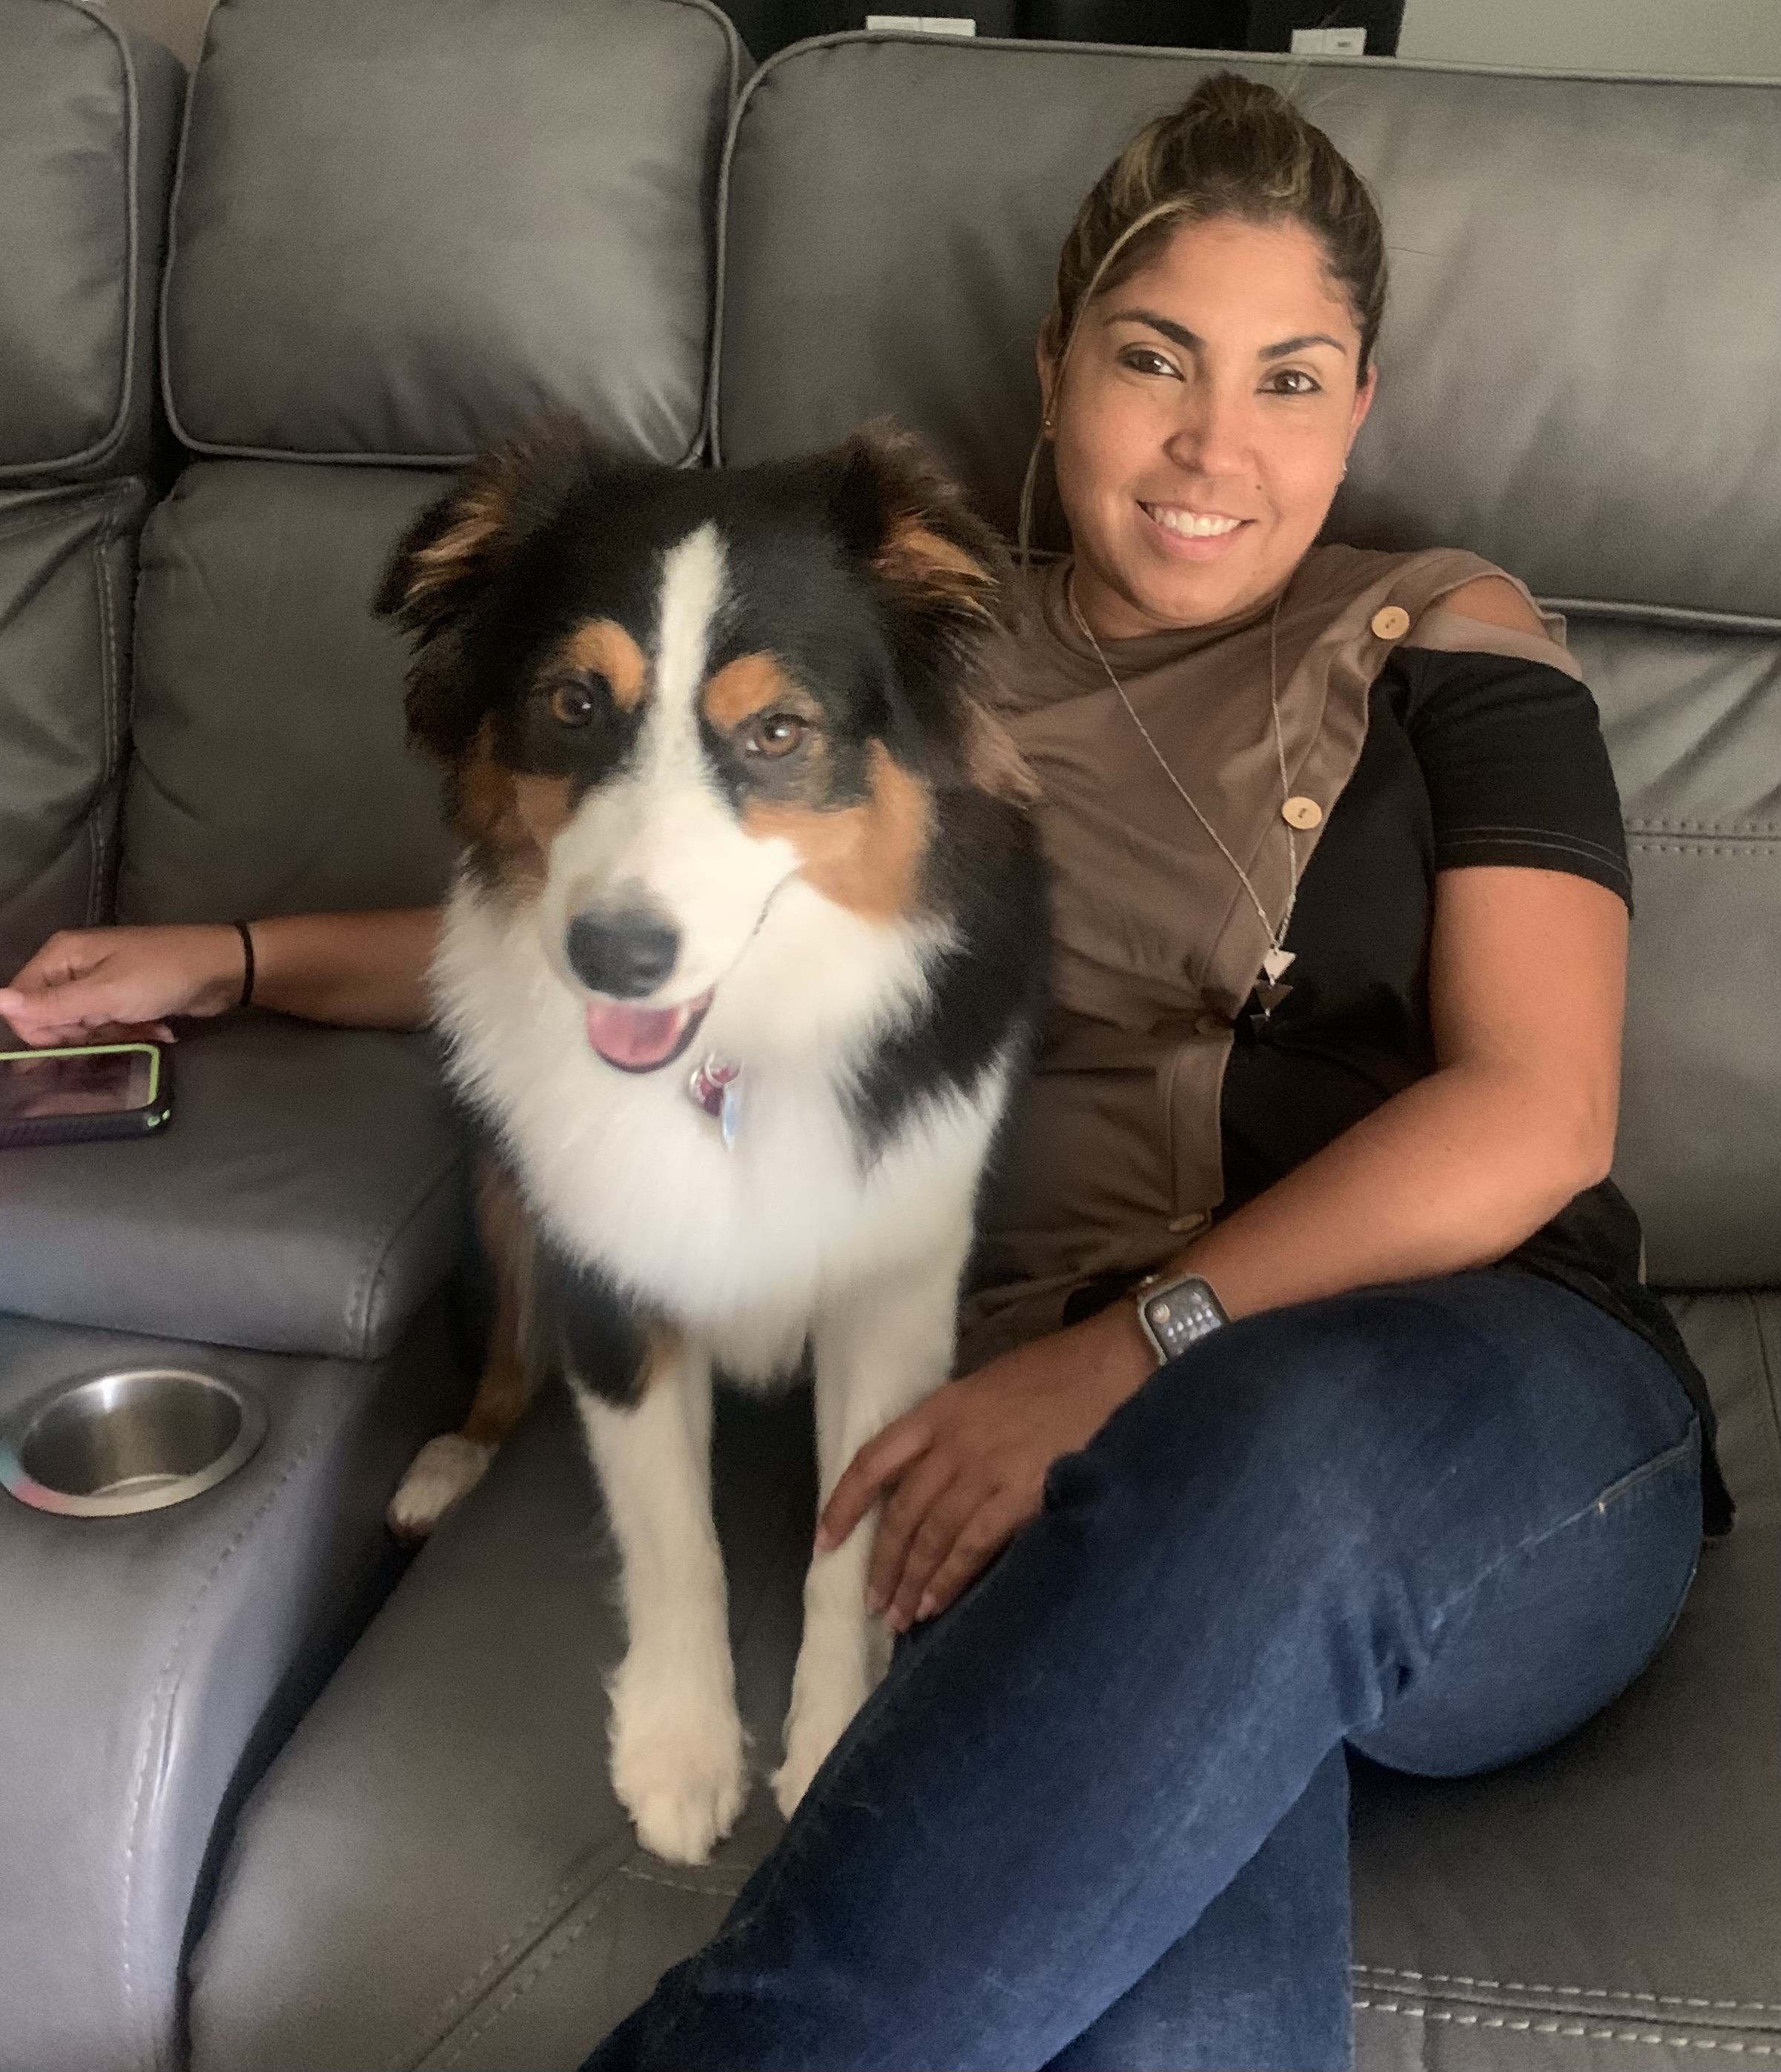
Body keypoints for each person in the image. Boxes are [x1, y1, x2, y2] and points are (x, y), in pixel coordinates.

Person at [1, 73, 1731, 2072]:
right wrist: (228, 954)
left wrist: (1125, 1350)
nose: (1213, 445)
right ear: (1053, 370)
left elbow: (1536, 1113)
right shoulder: (906, 692)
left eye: (1290, 380)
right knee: (1158, 2007)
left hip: (1475, 1403)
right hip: (1060, 1468)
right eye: (1153, 359)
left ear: (1361, 408)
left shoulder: (1445, 626)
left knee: (1267, 1449)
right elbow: (618, 937)